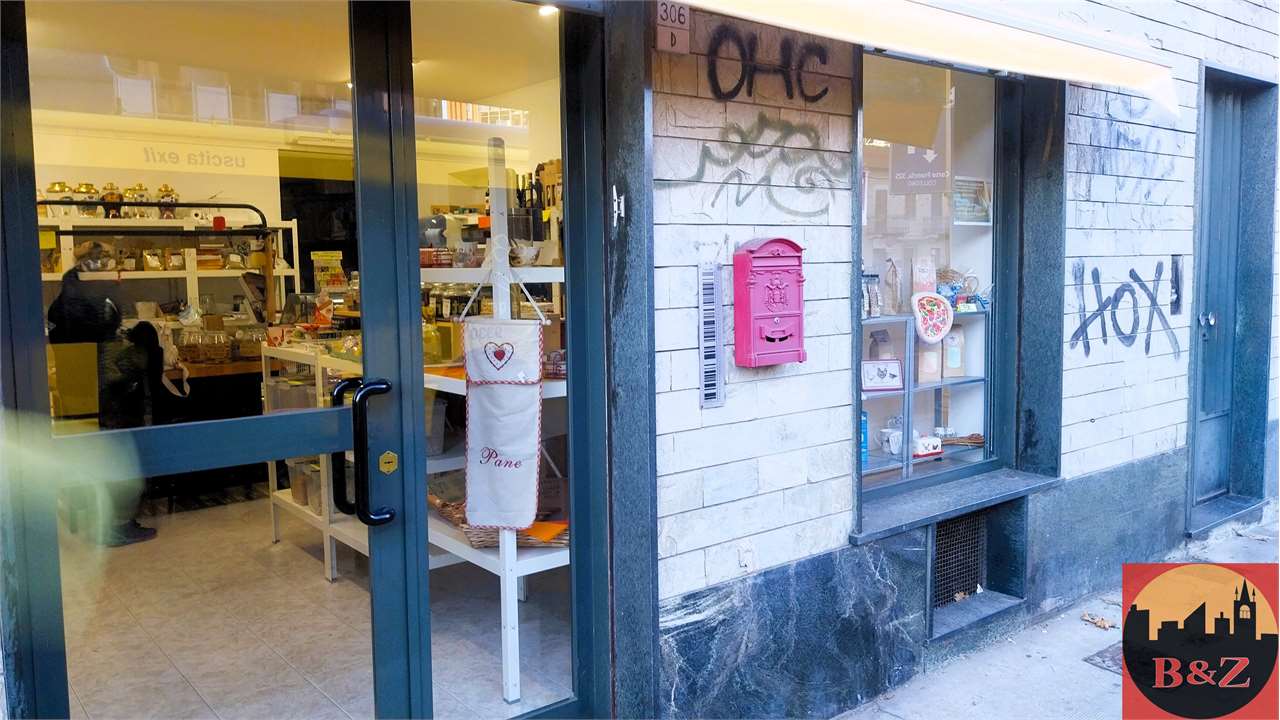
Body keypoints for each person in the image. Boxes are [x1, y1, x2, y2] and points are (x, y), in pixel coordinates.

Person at [48, 243, 158, 546]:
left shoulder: (67, 297)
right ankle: (115, 524)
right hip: (102, 395)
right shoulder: (91, 300)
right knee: (113, 453)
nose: (112, 265)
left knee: (96, 454)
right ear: (92, 264)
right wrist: (138, 356)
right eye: (107, 260)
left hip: (81, 390)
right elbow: (102, 352)